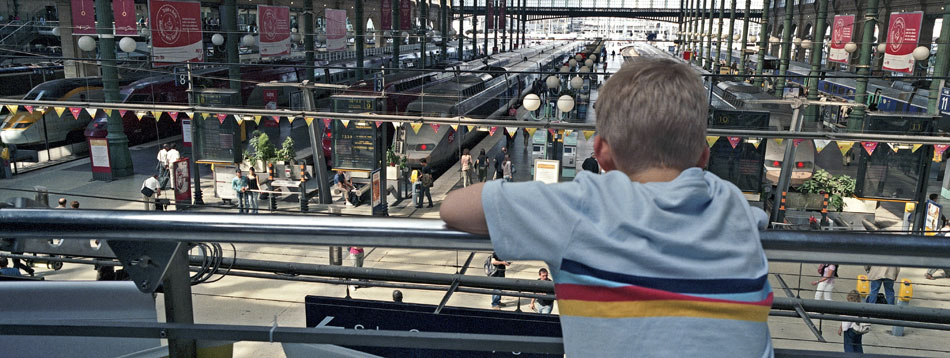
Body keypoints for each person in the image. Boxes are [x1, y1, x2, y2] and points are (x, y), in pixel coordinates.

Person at [440, 57, 773, 356]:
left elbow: (453, 208)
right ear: (704, 156)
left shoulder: (582, 206)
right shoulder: (734, 205)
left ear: (600, 153)